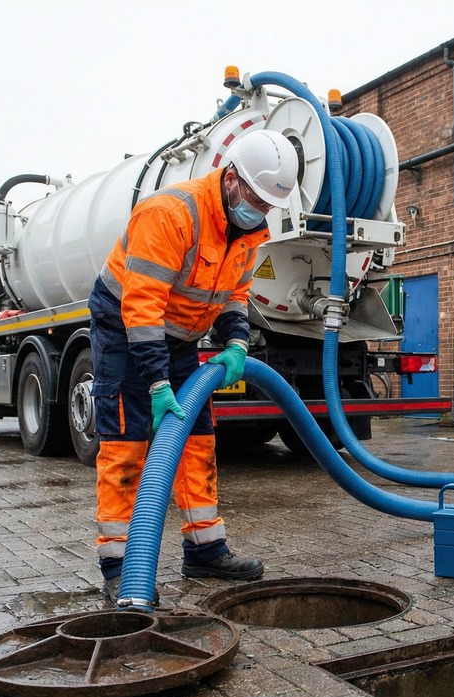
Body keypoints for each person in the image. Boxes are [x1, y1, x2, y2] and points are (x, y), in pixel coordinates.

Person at [88, 129, 300, 603]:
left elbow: (234, 296)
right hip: (126, 329)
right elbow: (141, 308)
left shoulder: (250, 230)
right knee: (128, 442)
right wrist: (158, 382)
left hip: (182, 335)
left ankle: (205, 550)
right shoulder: (170, 214)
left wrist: (237, 343)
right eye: (257, 199)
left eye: (270, 205)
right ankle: (120, 564)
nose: (261, 212)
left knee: (199, 439)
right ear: (230, 180)